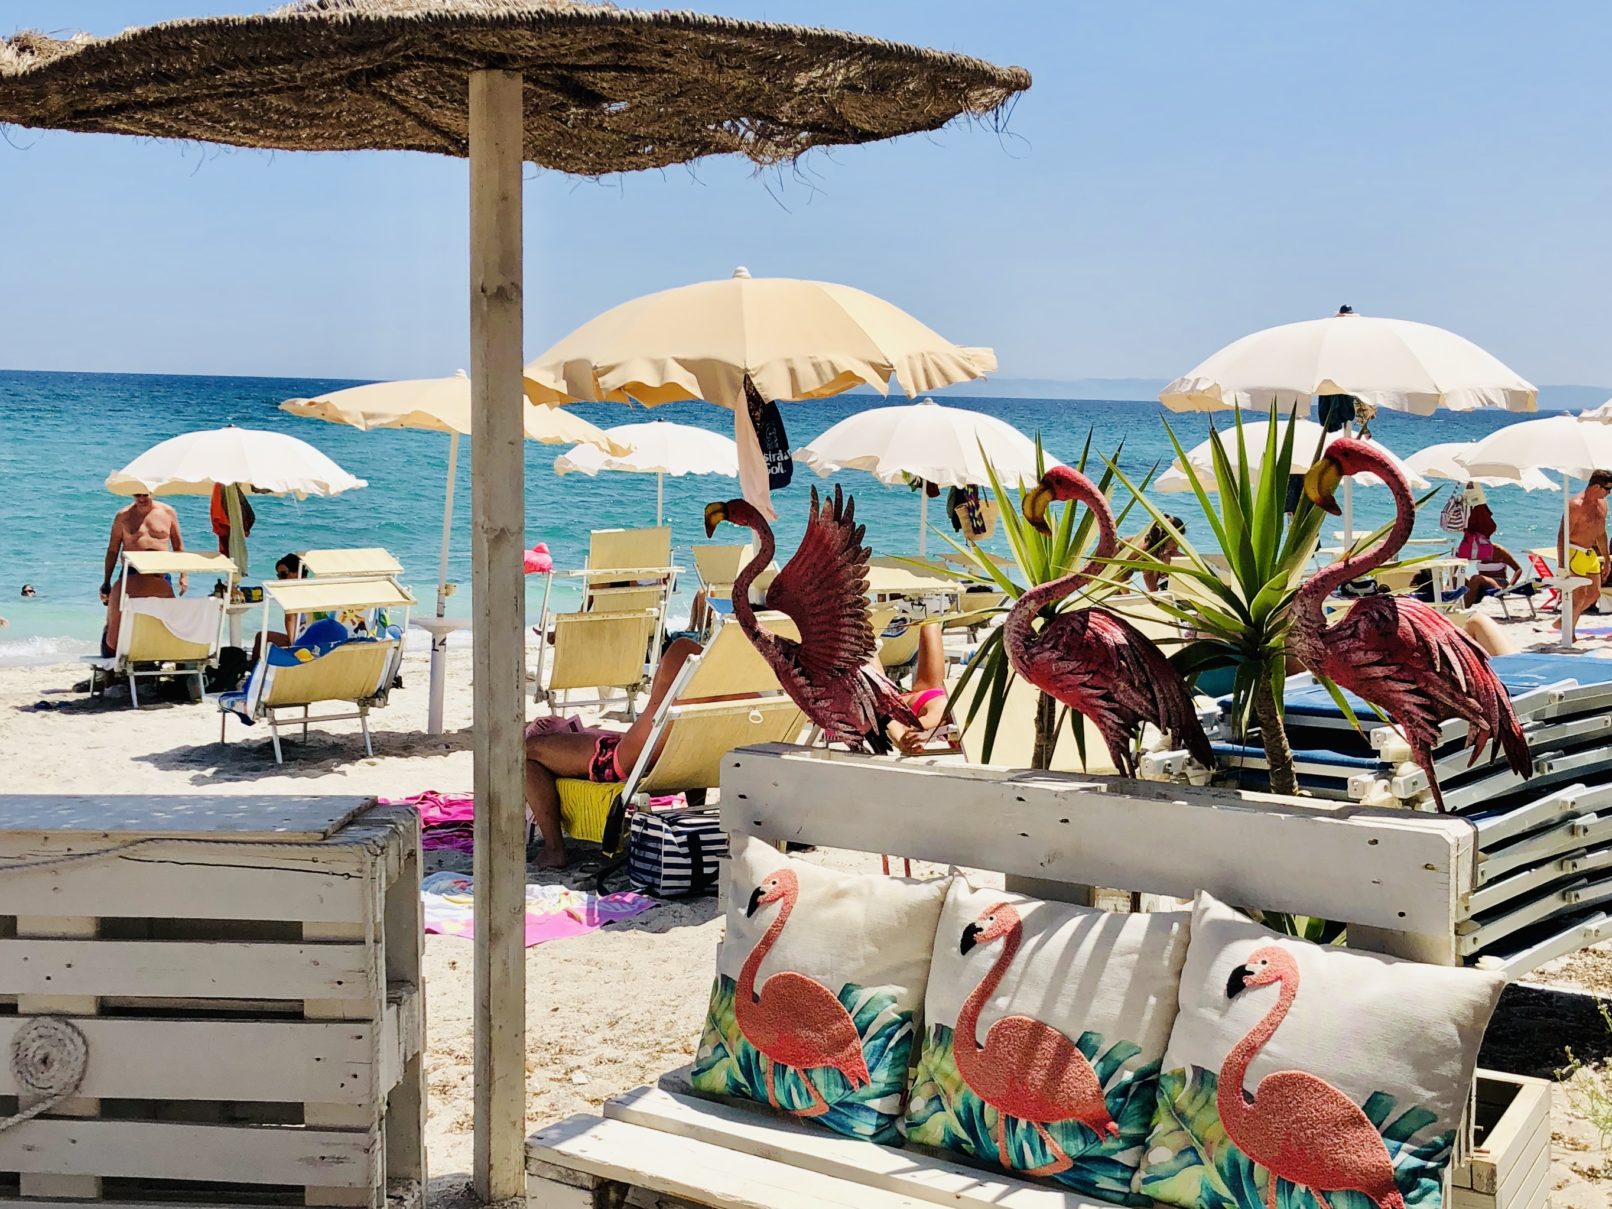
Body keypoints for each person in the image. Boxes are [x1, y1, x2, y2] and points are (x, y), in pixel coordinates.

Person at [523, 637, 709, 868]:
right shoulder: (740, 677)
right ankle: (697, 821)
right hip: (692, 761)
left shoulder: (684, 652)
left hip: (626, 761)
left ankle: (553, 849)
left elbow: (655, 722)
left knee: (527, 750)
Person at [101, 491, 185, 657]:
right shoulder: (123, 516)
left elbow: (178, 546)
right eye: (137, 495)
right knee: (119, 618)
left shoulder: (167, 512)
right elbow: (113, 550)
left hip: (160, 573)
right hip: (131, 572)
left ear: (152, 492)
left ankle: (157, 655)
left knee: (163, 619)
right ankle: (114, 659)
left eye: (145, 495)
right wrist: (107, 581)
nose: (141, 498)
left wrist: (184, 575)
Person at [884, 622, 952, 755]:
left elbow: (902, 727)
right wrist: (902, 742)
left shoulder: (940, 715)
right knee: (866, 651)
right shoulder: (937, 717)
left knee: (931, 623)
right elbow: (904, 728)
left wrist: (902, 741)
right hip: (922, 699)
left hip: (934, 693)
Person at [1560, 469, 1612, 624]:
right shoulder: (1575, 505)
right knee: (1579, 595)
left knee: (1594, 594)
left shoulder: (1603, 504)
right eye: (1608, 489)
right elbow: (1562, 536)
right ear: (1596, 487)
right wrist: (1561, 564)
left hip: (1590, 554)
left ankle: (1564, 621)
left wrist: (1607, 559)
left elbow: (1601, 534)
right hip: (1574, 552)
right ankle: (1569, 631)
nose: (1609, 493)